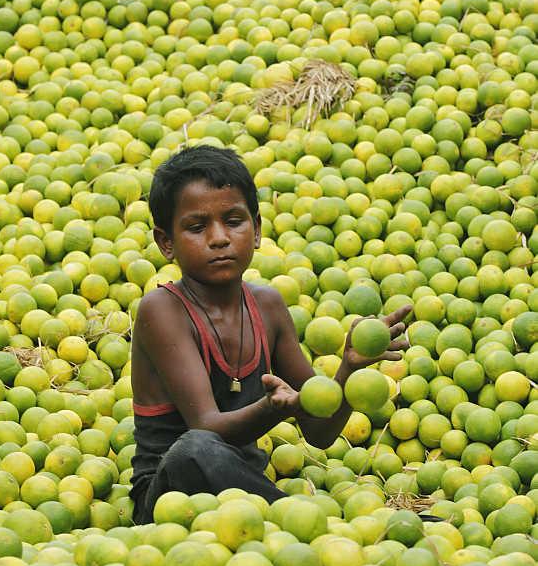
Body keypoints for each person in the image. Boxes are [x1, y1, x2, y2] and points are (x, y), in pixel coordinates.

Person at [129, 144, 410, 524]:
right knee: (195, 449)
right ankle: (317, 526)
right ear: (166, 242)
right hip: (172, 497)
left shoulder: (268, 306)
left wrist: (348, 371)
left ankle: (300, 523)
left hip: (246, 507)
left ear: (257, 229)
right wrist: (272, 409)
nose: (219, 238)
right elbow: (206, 428)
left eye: (234, 221)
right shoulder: (162, 310)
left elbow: (320, 431)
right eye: (197, 227)